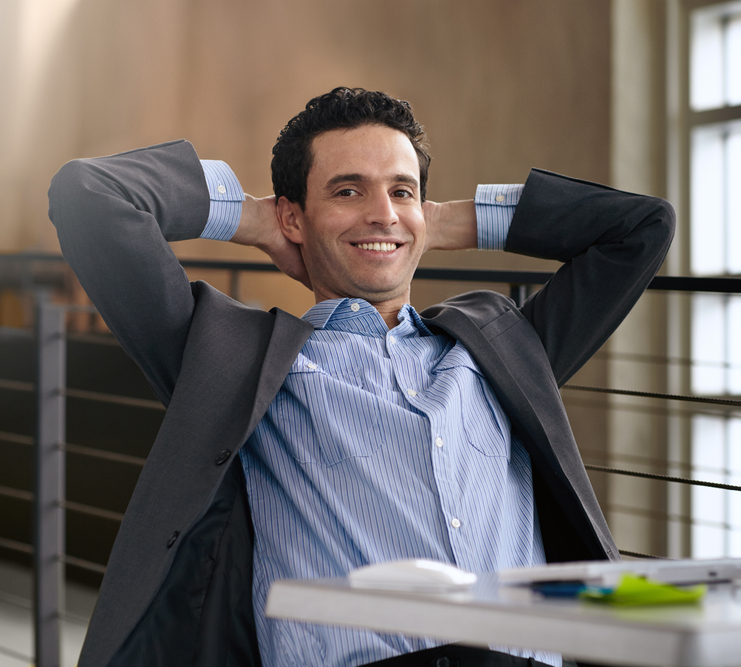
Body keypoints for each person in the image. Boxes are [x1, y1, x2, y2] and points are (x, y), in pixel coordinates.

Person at [49, 87, 675, 667]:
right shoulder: (237, 359)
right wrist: (256, 219)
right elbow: (89, 195)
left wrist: (443, 221)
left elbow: (641, 227)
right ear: (296, 217)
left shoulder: (500, 346)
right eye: (348, 192)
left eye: (401, 190)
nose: (382, 214)